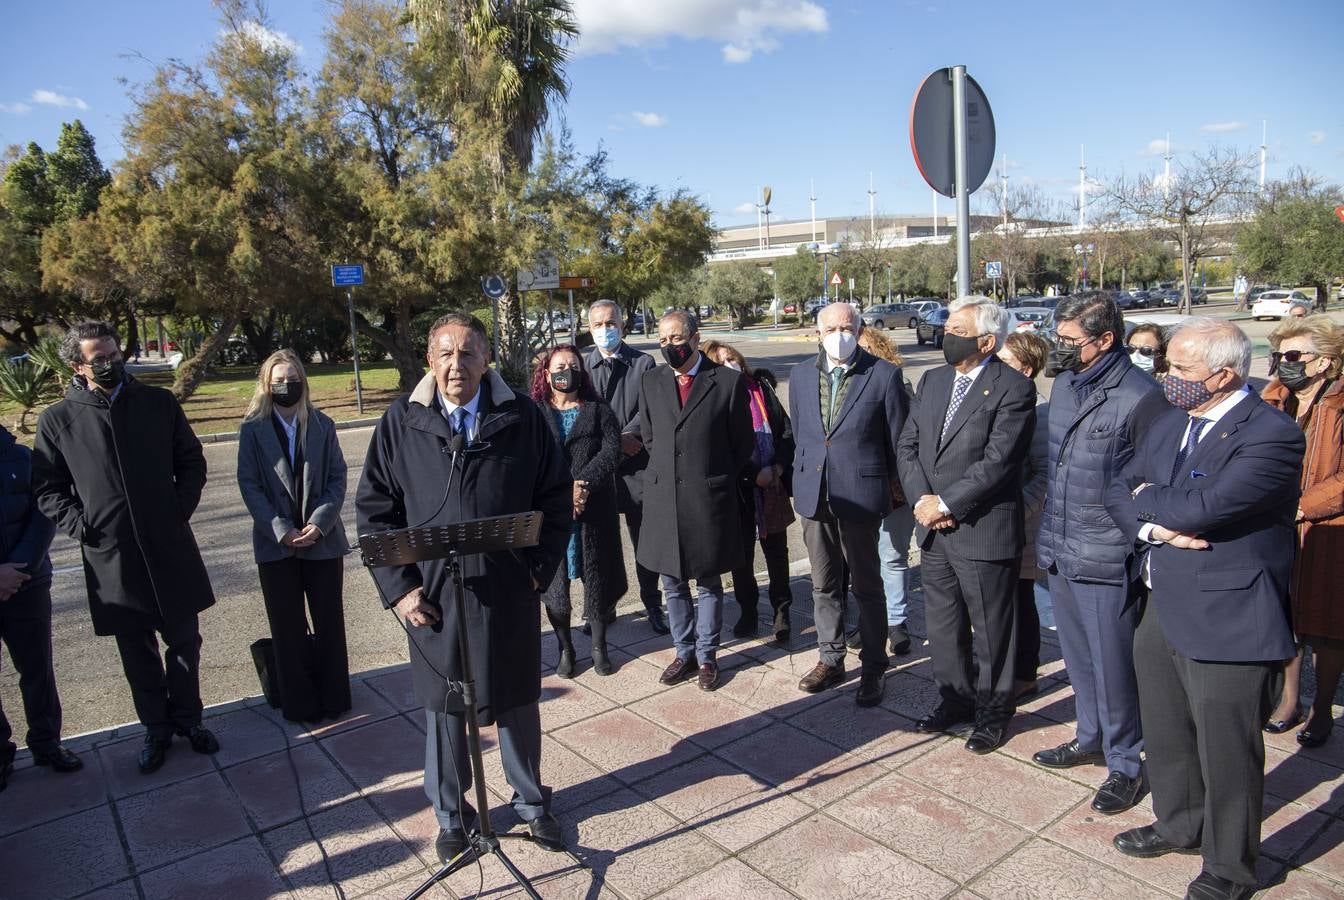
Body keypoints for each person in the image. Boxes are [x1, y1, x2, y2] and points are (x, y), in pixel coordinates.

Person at [356, 313, 572, 861]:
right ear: (430, 360)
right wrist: (401, 591)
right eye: (446, 354)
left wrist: (539, 570)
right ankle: (452, 814)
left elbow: (554, 497)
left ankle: (531, 804)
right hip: (434, 597)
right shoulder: (401, 423)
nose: (458, 365)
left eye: (469, 353)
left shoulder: (522, 416)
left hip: (508, 589)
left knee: (519, 701)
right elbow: (375, 513)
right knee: (445, 709)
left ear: (487, 359)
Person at [1105, 318, 1302, 900]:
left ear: (1223, 374)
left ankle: (1229, 866)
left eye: (1181, 369)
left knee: (1227, 750)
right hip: (1162, 596)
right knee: (1165, 729)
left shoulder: (1270, 434)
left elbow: (1207, 506)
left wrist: (1157, 506)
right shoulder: (1170, 420)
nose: (1167, 377)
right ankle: (1178, 822)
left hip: (1228, 614)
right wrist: (1156, 528)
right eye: (1167, 365)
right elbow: (1117, 486)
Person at [32, 322, 220, 776]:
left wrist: (177, 510)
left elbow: (190, 461)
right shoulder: (58, 420)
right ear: (78, 365)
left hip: (168, 545)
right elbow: (48, 488)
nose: (111, 363)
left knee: (184, 641)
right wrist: (84, 526)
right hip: (111, 556)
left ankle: (189, 720)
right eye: (99, 357)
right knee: (137, 651)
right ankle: (156, 729)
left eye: (115, 354)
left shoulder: (157, 403)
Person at [1032, 294, 1164, 814]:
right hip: (1061, 545)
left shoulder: (1140, 394)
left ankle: (1125, 763)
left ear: (1105, 340)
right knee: (1079, 658)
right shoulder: (1065, 384)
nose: (1059, 349)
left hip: (1107, 553)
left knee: (1113, 665)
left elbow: (1147, 483)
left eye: (1070, 341)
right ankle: (1089, 737)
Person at [897, 296, 1035, 753]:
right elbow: (909, 445)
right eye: (947, 328)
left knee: (992, 628)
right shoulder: (933, 381)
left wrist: (947, 503)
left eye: (957, 331)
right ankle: (955, 698)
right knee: (943, 623)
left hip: (980, 527)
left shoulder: (1013, 387)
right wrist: (922, 499)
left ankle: (994, 712)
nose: (946, 336)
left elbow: (999, 462)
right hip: (932, 526)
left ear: (987, 341)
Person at [791, 302, 909, 708]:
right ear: (817, 332)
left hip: (861, 496)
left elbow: (899, 444)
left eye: (847, 327)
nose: (839, 334)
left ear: (859, 330)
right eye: (831, 328)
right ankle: (831, 657)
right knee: (823, 584)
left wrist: (898, 495)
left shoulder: (884, 375)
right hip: (814, 494)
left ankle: (875, 664)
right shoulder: (802, 375)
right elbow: (803, 434)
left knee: (867, 585)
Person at [637, 310, 754, 692]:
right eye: (663, 340)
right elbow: (651, 439)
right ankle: (682, 651)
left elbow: (742, 445)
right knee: (672, 581)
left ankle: (707, 655)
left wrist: (711, 475)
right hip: (664, 497)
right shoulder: (651, 380)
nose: (669, 346)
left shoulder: (728, 382)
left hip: (707, 498)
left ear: (695, 336)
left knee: (707, 581)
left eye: (676, 338)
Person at [237, 349, 352, 724]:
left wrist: (319, 523)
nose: (287, 386)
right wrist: (281, 531)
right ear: (267, 386)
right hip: (276, 546)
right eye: (279, 380)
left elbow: (337, 478)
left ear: (304, 380)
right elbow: (250, 485)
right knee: (288, 628)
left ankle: (334, 697)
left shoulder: (322, 424)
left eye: (293, 378)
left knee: (329, 622)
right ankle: (300, 703)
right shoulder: (252, 430)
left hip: (322, 541)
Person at [1260, 316, 1344, 746]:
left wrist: (1301, 506)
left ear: (1324, 362)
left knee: (1327, 623)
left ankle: (1322, 707)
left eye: (1293, 356)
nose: (1282, 364)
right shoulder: (1273, 399)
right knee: (1285, 614)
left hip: (1329, 529)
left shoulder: (1341, 404)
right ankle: (1289, 700)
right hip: (1277, 524)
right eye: (1278, 356)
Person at [531, 345, 626, 679]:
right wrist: (563, 491)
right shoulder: (535, 412)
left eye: (572, 365)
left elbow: (612, 450)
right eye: (559, 366)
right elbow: (531, 461)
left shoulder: (599, 410)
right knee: (556, 586)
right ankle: (566, 649)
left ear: (582, 372)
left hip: (594, 509)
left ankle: (600, 648)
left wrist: (583, 484)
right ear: (546, 373)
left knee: (597, 579)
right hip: (551, 513)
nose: (565, 371)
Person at [0, 422, 79, 791]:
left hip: (27, 583)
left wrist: (19, 568)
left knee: (37, 670)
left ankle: (48, 743)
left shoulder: (21, 457)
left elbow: (43, 513)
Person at [701, 340, 795, 640]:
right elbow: (718, 448)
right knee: (741, 557)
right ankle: (749, 611)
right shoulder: (713, 400)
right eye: (721, 361)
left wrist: (777, 468)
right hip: (739, 491)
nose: (730, 364)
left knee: (777, 553)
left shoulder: (762, 389)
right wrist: (753, 476)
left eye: (733, 358)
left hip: (773, 487)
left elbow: (786, 431)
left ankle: (782, 611)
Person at [585, 300, 667, 635]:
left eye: (611, 322)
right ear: (590, 328)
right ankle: (602, 609)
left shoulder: (643, 363)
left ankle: (653, 604)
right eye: (599, 324)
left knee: (645, 542)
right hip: (597, 469)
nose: (606, 329)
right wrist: (612, 443)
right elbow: (578, 412)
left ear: (623, 324)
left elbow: (649, 410)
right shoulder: (582, 366)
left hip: (637, 466)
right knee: (600, 545)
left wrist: (624, 439)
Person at [843, 326, 916, 657]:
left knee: (892, 554)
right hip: (859, 488)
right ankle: (869, 619)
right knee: (863, 559)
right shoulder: (843, 386)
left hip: (895, 488)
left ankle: (897, 622)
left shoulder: (898, 382)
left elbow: (907, 437)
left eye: (866, 347)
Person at [996, 331, 1052, 699]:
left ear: (1026, 369)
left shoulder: (1040, 415)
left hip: (1023, 527)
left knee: (1020, 599)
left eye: (1004, 362)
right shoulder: (1003, 404)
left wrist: (1016, 511)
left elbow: (1046, 478)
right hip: (1000, 524)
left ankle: (1025, 673)